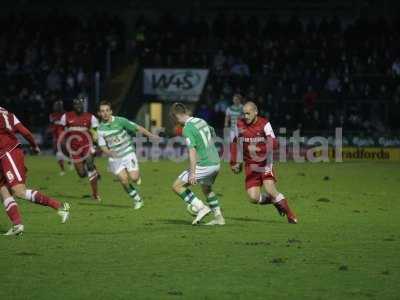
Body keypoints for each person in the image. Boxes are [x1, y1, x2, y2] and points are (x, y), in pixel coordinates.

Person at [0, 106, 70, 236]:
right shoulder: (7, 112)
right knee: (3, 190)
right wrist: (34, 145)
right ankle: (17, 225)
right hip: (5, 155)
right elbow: (24, 131)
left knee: (19, 191)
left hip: (8, 153)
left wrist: (33, 145)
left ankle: (59, 206)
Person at [230, 101, 297, 224]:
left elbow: (275, 143)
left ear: (256, 112)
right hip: (250, 165)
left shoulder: (264, 124)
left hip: (265, 162)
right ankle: (275, 201)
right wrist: (234, 162)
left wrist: (259, 149)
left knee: (270, 189)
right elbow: (234, 142)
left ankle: (291, 215)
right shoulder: (239, 124)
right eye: (244, 114)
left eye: (248, 113)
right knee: (253, 198)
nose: (246, 116)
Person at [97, 101, 159, 209]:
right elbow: (102, 145)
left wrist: (150, 135)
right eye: (102, 111)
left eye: (107, 110)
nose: (105, 113)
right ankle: (137, 199)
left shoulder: (121, 121)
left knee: (134, 178)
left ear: (111, 111)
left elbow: (137, 128)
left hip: (127, 152)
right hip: (115, 157)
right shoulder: (100, 129)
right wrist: (108, 152)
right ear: (99, 113)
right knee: (124, 180)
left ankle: (137, 177)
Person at [171, 103, 225, 225]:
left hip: (205, 164)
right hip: (216, 162)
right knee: (207, 189)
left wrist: (193, 173)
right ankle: (219, 217)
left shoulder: (187, 128)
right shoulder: (201, 121)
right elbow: (212, 132)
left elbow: (192, 150)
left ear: (177, 115)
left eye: (174, 118)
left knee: (177, 186)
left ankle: (201, 207)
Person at [59, 97, 101, 201]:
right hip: (74, 149)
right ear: (73, 105)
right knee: (82, 174)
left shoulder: (91, 117)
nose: (79, 106)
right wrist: (63, 143)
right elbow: (61, 131)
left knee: (90, 164)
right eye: (76, 104)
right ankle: (94, 173)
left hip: (87, 146)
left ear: (83, 105)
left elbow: (96, 132)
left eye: (80, 104)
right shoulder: (66, 117)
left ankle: (95, 194)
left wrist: (97, 144)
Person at [49, 100, 66, 175]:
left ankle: (64, 168)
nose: (56, 107)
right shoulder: (52, 115)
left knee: (61, 152)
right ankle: (63, 169)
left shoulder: (65, 115)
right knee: (58, 153)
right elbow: (52, 125)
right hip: (55, 137)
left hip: (63, 136)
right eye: (56, 105)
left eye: (58, 106)